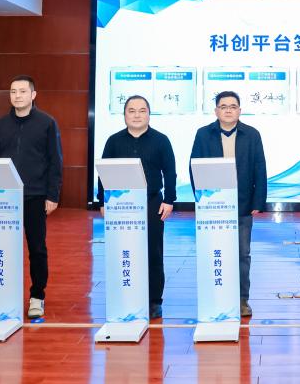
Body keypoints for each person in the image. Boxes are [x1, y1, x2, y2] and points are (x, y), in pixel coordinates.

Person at [0, 75, 63, 320]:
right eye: (13, 91)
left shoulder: (47, 123)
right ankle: (4, 295)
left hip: (35, 196)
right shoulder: (1, 125)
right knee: (3, 247)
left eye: (22, 91)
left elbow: (55, 161)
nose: (17, 95)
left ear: (33, 95)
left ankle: (37, 296)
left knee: (37, 248)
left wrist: (52, 194)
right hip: (5, 198)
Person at [189, 91, 267, 317]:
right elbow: (194, 167)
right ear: (216, 111)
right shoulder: (203, 134)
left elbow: (260, 168)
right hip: (213, 206)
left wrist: (258, 200)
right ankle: (215, 296)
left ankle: (242, 299)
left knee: (242, 254)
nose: (228, 110)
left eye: (233, 106)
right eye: (224, 107)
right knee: (214, 251)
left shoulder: (252, 134)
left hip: (242, 204)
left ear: (239, 111)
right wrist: (201, 198)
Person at [99, 95, 176, 319]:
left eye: (142, 111)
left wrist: (169, 200)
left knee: (153, 252)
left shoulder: (161, 140)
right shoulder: (113, 141)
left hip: (151, 203)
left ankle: (154, 300)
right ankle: (124, 295)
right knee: (122, 250)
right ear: (124, 115)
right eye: (131, 111)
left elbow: (170, 171)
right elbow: (103, 172)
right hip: (120, 205)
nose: (136, 115)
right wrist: (102, 200)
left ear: (149, 114)